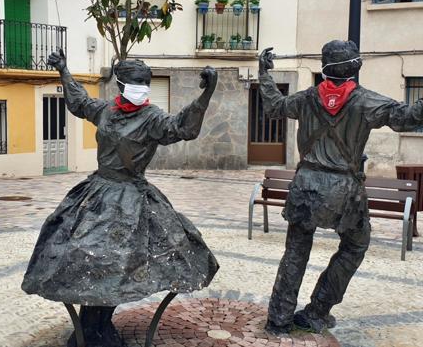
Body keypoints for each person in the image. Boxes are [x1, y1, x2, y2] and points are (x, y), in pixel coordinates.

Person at [22, 49, 219, 346]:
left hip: (132, 199)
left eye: (145, 82)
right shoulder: (106, 111)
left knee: (120, 263)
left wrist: (206, 94)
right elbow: (80, 102)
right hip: (98, 192)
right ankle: (90, 328)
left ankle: (99, 326)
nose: (142, 88)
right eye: (136, 82)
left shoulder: (152, 117)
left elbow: (182, 127)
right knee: (82, 252)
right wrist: (63, 70)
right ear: (121, 85)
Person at [259, 40, 423, 335]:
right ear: (353, 69)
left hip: (306, 186)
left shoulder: (306, 98)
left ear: (324, 70)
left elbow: (273, 106)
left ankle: (278, 319)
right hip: (343, 191)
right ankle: (317, 310)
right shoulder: (365, 101)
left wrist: (264, 72)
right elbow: (409, 118)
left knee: (295, 251)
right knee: (355, 244)